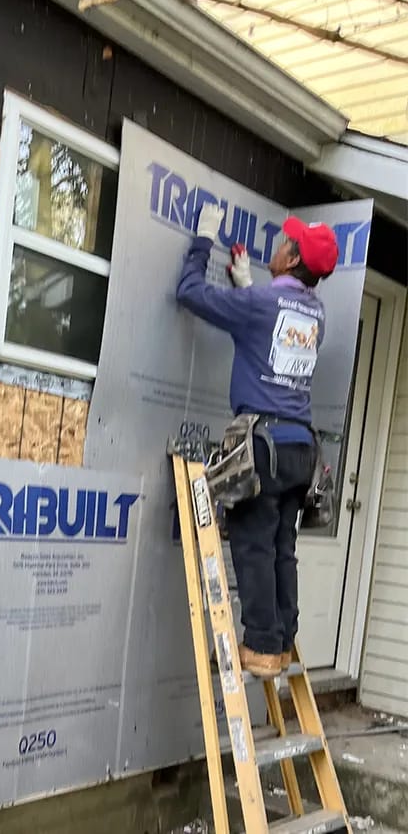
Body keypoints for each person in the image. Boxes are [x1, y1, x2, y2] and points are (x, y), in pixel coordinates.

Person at [176, 205, 339, 678]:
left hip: (263, 448)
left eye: (286, 242)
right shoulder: (315, 313)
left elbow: (189, 292)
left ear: (290, 260)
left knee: (253, 547)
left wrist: (204, 238)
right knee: (281, 548)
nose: (279, 244)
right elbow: (271, 335)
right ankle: (282, 640)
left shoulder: (262, 305)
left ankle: (263, 649)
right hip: (299, 450)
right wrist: (247, 284)